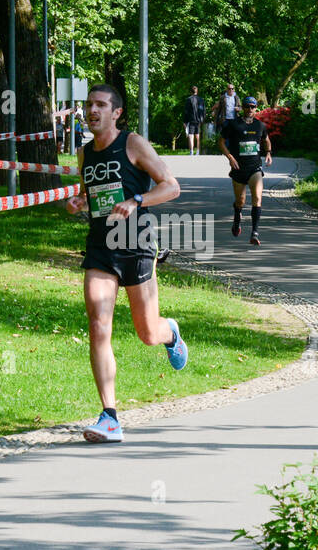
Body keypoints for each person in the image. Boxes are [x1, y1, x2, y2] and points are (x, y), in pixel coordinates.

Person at [65, 83, 188, 443]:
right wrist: (79, 203)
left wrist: (137, 199)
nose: (93, 110)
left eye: (101, 105)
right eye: (89, 105)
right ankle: (110, 416)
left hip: (136, 244)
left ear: (116, 113)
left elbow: (171, 186)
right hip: (101, 248)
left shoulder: (133, 144)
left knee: (147, 333)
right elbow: (92, 197)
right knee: (98, 324)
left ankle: (171, 333)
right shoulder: (85, 152)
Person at [218, 94, 272, 245]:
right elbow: (221, 142)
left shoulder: (260, 126)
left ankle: (254, 232)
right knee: (240, 201)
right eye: (247, 106)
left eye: (253, 107)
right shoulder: (233, 125)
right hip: (238, 168)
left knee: (257, 198)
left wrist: (268, 153)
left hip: (255, 167)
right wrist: (230, 157)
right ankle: (237, 216)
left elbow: (266, 140)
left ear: (256, 109)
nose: (250, 109)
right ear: (242, 108)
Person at [183, 86, 206, 155]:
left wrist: (185, 122)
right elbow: (204, 111)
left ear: (191, 92)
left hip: (191, 120)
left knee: (191, 136)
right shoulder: (201, 100)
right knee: (198, 136)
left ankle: (191, 152)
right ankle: (198, 152)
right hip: (199, 121)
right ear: (197, 91)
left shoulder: (188, 99)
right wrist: (203, 120)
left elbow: (186, 111)